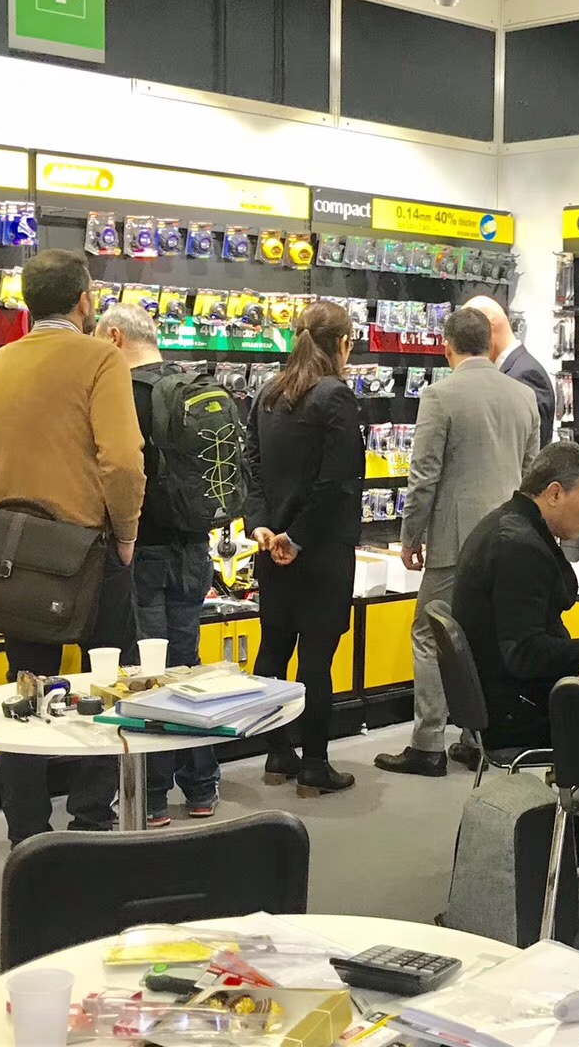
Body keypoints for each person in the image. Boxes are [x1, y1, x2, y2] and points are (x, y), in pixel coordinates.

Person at [0, 248, 145, 847]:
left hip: (17, 559)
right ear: (85, 300)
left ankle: (27, 834)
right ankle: (91, 822)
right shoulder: (101, 359)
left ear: (27, 303)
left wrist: (2, 532)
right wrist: (126, 532)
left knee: (25, 687)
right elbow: (123, 462)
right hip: (90, 549)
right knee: (108, 684)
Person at [375, 306, 540, 778]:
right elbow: (530, 471)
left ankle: (427, 742)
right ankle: (475, 739)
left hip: (455, 539)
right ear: (490, 344)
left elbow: (424, 475)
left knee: (429, 633)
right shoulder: (524, 395)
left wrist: (410, 536)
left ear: (446, 346)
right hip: (509, 537)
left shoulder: (439, 396)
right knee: (483, 636)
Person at [95, 305, 220, 825]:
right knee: (187, 667)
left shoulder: (121, 395)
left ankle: (149, 795)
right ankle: (202, 786)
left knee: (146, 673)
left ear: (115, 338)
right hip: (193, 549)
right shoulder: (191, 385)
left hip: (140, 549)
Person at [243, 301, 363, 796]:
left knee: (273, 650)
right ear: (343, 344)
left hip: (273, 550)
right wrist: (298, 537)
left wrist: (263, 528)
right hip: (321, 552)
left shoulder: (268, 393)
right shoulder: (335, 396)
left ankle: (277, 754)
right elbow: (337, 483)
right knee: (315, 660)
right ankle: (315, 765)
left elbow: (250, 465)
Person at [450, 442, 579, 750]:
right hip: (517, 712)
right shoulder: (519, 548)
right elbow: (525, 655)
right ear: (555, 493)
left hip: (507, 697)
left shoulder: (506, 525)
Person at [467, 295, 555, 445]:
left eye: (468, 338)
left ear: (486, 331)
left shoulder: (524, 375)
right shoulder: (514, 370)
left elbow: (528, 447)